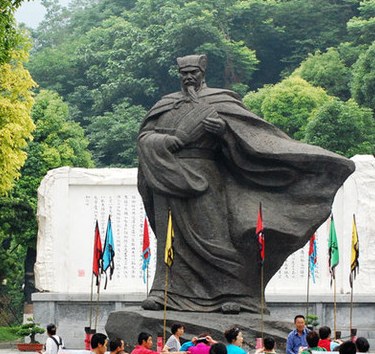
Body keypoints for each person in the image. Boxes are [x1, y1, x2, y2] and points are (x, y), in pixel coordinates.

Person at [137, 55, 354, 315]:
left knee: (214, 236)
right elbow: (144, 137)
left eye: (193, 72)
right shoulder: (166, 105)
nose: (188, 77)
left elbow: (250, 138)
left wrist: (224, 132)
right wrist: (162, 143)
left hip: (205, 176)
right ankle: (166, 293)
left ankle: (232, 294)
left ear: (203, 73)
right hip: (167, 177)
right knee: (170, 238)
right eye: (184, 73)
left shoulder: (221, 102)